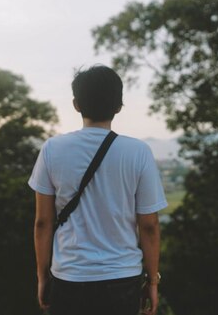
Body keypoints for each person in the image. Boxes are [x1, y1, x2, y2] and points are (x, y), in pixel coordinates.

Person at [29, 65, 167, 315]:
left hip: (69, 278)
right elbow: (149, 225)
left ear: (76, 104)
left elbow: (42, 222)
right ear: (118, 106)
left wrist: (42, 276)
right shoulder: (138, 152)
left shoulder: (52, 149)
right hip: (122, 279)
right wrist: (153, 281)